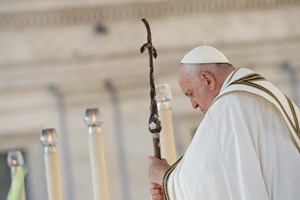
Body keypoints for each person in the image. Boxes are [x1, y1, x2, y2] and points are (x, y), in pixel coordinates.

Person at [148, 45, 300, 200]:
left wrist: (165, 178)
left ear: (208, 80)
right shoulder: (262, 92)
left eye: (191, 93)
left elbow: (206, 180)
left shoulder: (228, 106)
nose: (193, 104)